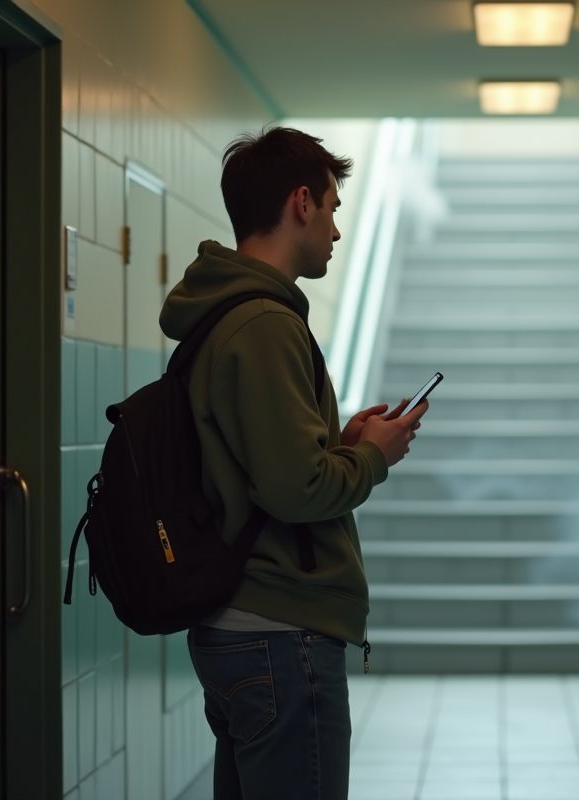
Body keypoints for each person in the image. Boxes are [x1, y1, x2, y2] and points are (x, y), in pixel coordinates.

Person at [159, 126, 426, 800]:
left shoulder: (220, 312)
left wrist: (341, 442)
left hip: (238, 628)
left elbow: (251, 466)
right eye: (333, 209)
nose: (337, 232)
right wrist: (372, 458)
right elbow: (295, 489)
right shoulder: (265, 323)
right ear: (301, 202)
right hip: (280, 634)